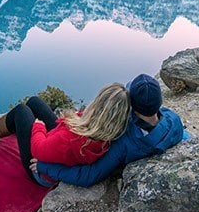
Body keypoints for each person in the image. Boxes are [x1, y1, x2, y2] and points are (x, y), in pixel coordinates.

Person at [30, 74, 187, 187]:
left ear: (132, 106)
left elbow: (89, 176)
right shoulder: (173, 120)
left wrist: (46, 167)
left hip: (46, 165)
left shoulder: (124, 141)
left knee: (28, 110)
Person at [0, 82, 131, 186]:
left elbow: (38, 149)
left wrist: (39, 127)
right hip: (63, 152)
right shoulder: (111, 131)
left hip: (40, 171)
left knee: (21, 112)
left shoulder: (70, 139)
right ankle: (3, 130)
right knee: (34, 102)